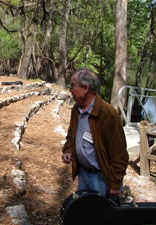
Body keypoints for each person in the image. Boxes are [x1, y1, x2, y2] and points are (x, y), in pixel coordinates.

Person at [62, 69, 129, 199]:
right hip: (84, 174)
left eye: (73, 86)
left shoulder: (107, 114)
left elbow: (119, 153)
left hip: (102, 178)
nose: (70, 90)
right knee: (86, 213)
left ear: (85, 88)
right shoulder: (77, 109)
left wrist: (115, 183)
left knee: (102, 217)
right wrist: (68, 150)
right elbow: (71, 136)